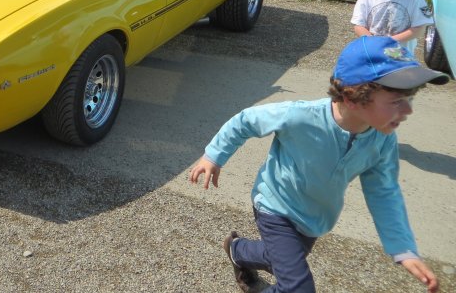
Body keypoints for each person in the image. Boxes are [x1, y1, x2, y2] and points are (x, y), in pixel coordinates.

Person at [189, 36, 447, 293]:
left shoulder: (382, 140)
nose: (409, 110)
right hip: (276, 206)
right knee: (298, 287)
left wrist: (403, 248)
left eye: (409, 99)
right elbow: (246, 121)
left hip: (315, 218)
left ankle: (237, 250)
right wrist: (214, 156)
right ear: (352, 97)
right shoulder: (300, 116)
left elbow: (384, 192)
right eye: (396, 101)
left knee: (277, 259)